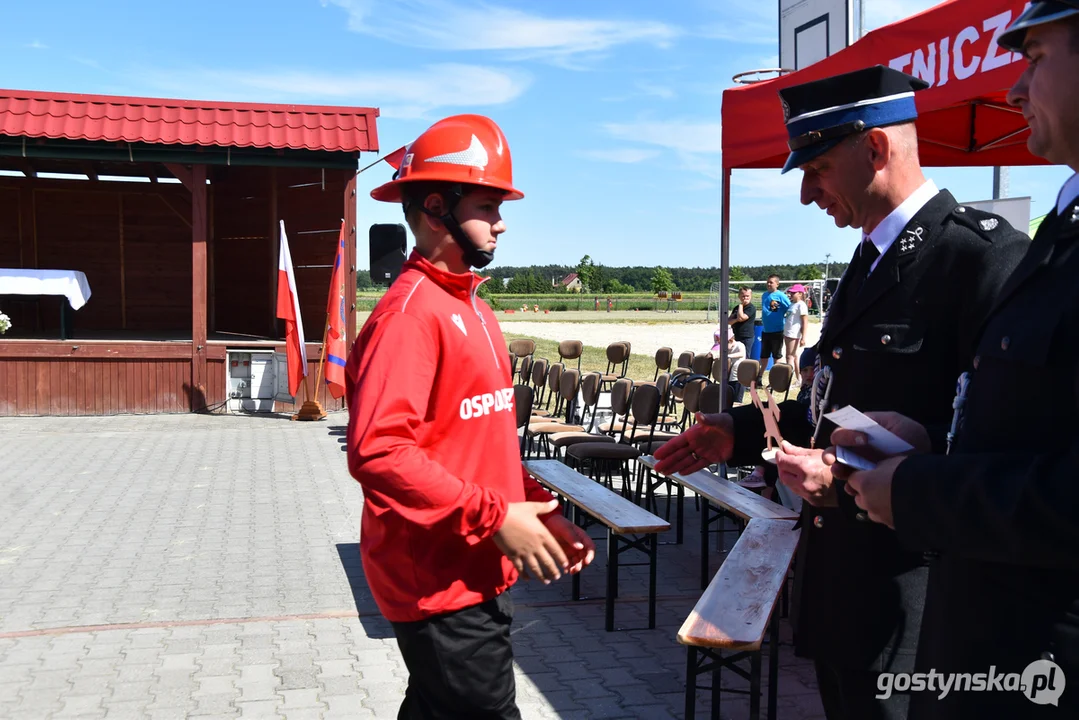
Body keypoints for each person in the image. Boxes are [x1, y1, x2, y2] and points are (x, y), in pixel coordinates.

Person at [653, 65, 1028, 720]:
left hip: (915, 604)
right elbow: (837, 407)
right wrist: (735, 430)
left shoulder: (978, 261)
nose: (805, 194)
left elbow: (1005, 446)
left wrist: (849, 471)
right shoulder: (869, 258)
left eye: (816, 168)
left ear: (875, 149)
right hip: (844, 594)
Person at [833, 6, 1079, 717]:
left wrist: (918, 491)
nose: (1013, 88)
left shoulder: (985, 249)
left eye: (1034, 56)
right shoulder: (1062, 226)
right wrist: (928, 448)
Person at [345, 114, 595, 720]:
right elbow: (378, 452)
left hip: (474, 568)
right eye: (489, 205)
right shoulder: (409, 316)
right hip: (438, 584)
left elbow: (480, 440)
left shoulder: (474, 308)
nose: (503, 222)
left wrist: (537, 510)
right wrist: (494, 518)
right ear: (437, 209)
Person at [758, 274, 790, 383]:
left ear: (777, 284)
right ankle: (759, 377)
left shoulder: (780, 296)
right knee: (763, 356)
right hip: (765, 330)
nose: (768, 284)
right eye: (767, 282)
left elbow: (789, 308)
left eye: (771, 282)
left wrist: (783, 317)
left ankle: (775, 379)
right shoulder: (764, 295)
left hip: (777, 330)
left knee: (776, 356)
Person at [783, 284, 809, 376]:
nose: (791, 294)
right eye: (791, 292)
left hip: (794, 334)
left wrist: (803, 338)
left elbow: (805, 322)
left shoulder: (801, 305)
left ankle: (787, 379)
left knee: (789, 357)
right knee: (794, 357)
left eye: (794, 293)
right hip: (787, 332)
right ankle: (799, 378)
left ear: (800, 294)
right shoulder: (792, 304)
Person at [728, 286, 757, 350]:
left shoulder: (751, 308)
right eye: (743, 296)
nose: (745, 298)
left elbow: (742, 317)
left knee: (745, 356)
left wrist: (741, 306)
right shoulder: (736, 308)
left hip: (746, 336)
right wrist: (736, 319)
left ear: (751, 296)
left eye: (747, 296)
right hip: (736, 334)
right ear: (739, 296)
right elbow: (729, 321)